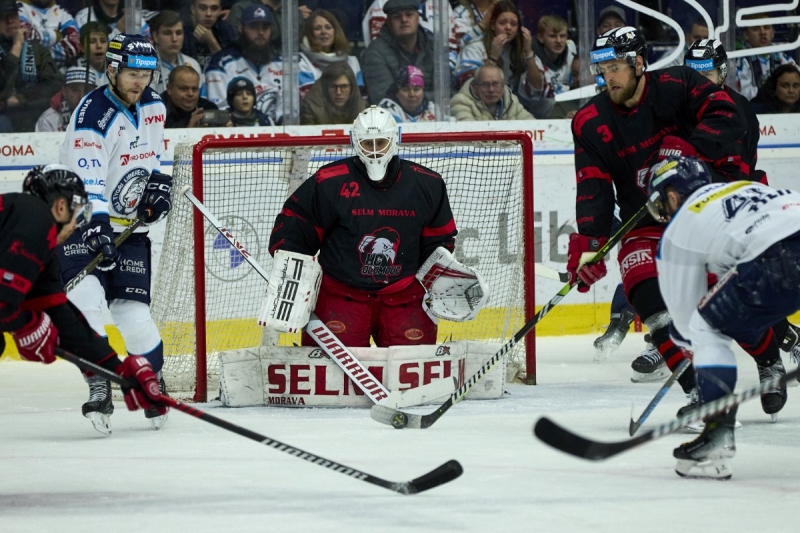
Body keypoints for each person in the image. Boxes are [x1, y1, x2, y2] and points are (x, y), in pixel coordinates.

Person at [569, 26, 753, 409]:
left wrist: (687, 146)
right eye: (601, 69)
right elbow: (593, 186)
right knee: (640, 286)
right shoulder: (588, 121)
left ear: (639, 63)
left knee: (726, 297)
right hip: (644, 219)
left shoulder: (677, 83)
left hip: (697, 209)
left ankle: (769, 358)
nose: (607, 77)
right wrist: (590, 245)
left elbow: (728, 114)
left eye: (615, 67)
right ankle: (697, 389)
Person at [265, 106, 487, 348]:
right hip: (341, 296)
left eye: (380, 142)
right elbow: (295, 231)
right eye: (366, 143)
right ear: (355, 142)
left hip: (405, 297)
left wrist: (441, 279)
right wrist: (292, 276)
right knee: (332, 380)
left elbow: (439, 242)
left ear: (394, 140)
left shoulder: (427, 184)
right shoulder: (329, 181)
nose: (373, 151)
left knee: (410, 379)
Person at [647, 155, 800, 479]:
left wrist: (691, 344)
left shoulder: (681, 227)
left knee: (706, 327)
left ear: (673, 195)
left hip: (780, 257)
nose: (664, 211)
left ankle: (716, 437)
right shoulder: (740, 189)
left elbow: (688, 321)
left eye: (662, 202)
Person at [57, 33, 172, 435]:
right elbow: (88, 181)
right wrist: (99, 227)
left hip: (128, 231)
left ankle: (150, 384)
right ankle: (99, 384)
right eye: (131, 73)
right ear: (111, 69)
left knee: (133, 314)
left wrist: (159, 185)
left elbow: (155, 155)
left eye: (146, 73)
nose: (139, 82)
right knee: (85, 301)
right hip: (81, 225)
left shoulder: (155, 105)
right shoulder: (92, 116)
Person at [0, 165, 167, 427]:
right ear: (61, 206)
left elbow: (65, 319)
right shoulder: (33, 220)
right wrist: (27, 325)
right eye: (79, 211)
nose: (80, 221)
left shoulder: (37, 238)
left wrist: (118, 369)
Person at [204, 4, 283, 123]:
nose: (261, 32)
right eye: (254, 26)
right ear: (241, 28)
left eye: (265, 27)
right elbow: (219, 109)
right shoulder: (221, 62)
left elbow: (289, 109)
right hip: (237, 134)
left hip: (278, 136)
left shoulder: (281, 63)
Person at [0, 0, 64, 132]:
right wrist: (16, 48)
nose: (10, 21)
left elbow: (55, 84)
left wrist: (21, 98)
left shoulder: (36, 50)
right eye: (3, 17)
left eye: (13, 16)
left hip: (33, 113)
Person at [362, 0, 437, 105]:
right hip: (392, 118)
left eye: (409, 14)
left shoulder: (434, 46)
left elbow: (448, 92)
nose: (404, 20)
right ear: (388, 22)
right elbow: (382, 98)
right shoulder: (374, 52)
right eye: (397, 16)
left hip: (434, 117)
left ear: (418, 18)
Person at [299, 9, 363, 101]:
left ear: (336, 31)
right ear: (310, 34)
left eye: (328, 27)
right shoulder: (302, 62)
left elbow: (359, 99)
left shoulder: (352, 62)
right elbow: (310, 99)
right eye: (317, 28)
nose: (323, 32)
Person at [734, 13, 799, 101]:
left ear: (773, 32)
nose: (763, 32)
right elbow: (742, 94)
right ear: (746, 35)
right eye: (756, 29)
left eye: (767, 27)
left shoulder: (783, 58)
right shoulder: (740, 60)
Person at [524, 14, 579, 119]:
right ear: (540, 37)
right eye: (553, 36)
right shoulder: (531, 58)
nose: (559, 41)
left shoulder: (571, 47)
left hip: (565, 111)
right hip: (537, 116)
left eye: (562, 36)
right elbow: (538, 89)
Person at [450, 62, 532, 121]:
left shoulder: (511, 101)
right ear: (475, 87)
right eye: (485, 84)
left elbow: (534, 127)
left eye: (495, 84)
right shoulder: (460, 102)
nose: (491, 90)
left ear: (503, 86)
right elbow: (470, 135)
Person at [149, 10, 202, 94]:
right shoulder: (145, 65)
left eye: (179, 33)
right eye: (167, 33)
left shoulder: (193, 65)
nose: (174, 39)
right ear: (155, 36)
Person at [16, 0, 81, 69]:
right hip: (28, 71)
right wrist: (56, 36)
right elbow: (24, 35)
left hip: (59, 73)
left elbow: (74, 46)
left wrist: (38, 51)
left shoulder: (63, 13)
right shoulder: (20, 8)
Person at [300, 61, 366, 126]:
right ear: (325, 88)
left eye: (344, 86)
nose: (338, 92)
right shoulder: (311, 109)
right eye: (333, 86)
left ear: (352, 88)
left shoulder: (363, 109)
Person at [35, 65, 96, 132]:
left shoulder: (105, 117)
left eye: (87, 91)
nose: (81, 97)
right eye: (75, 90)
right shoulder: (48, 121)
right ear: (64, 91)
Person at [181, 0, 236, 70]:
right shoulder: (182, 29)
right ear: (193, 9)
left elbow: (231, 69)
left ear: (220, 10)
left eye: (214, 8)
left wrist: (212, 42)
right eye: (203, 8)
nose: (208, 14)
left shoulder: (224, 29)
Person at [75, 0, 152, 40]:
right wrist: (118, 31)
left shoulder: (133, 15)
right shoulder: (84, 17)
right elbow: (92, 51)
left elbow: (149, 46)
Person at [74, 21, 110, 87]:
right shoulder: (73, 69)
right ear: (81, 47)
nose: (99, 46)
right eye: (92, 41)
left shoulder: (118, 68)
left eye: (103, 41)